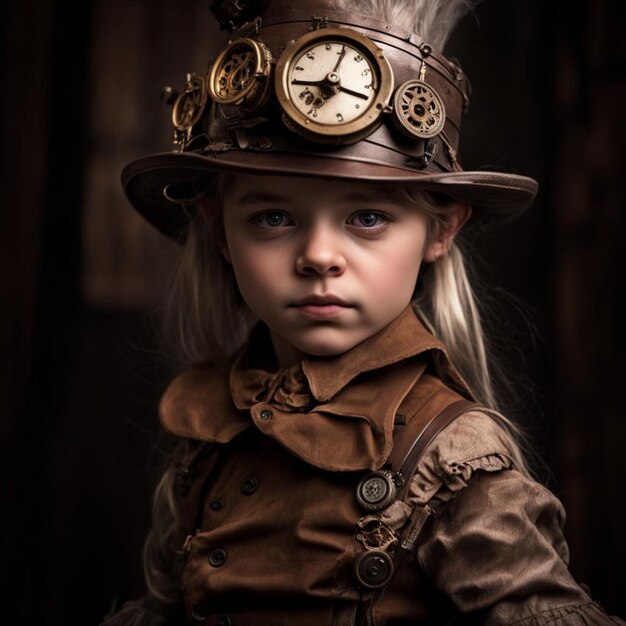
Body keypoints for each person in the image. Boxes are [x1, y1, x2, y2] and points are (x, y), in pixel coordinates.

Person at [102, 0, 624, 624]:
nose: (320, 256)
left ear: (440, 231)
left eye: (367, 217)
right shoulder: (212, 423)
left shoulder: (449, 455)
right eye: (274, 217)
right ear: (219, 230)